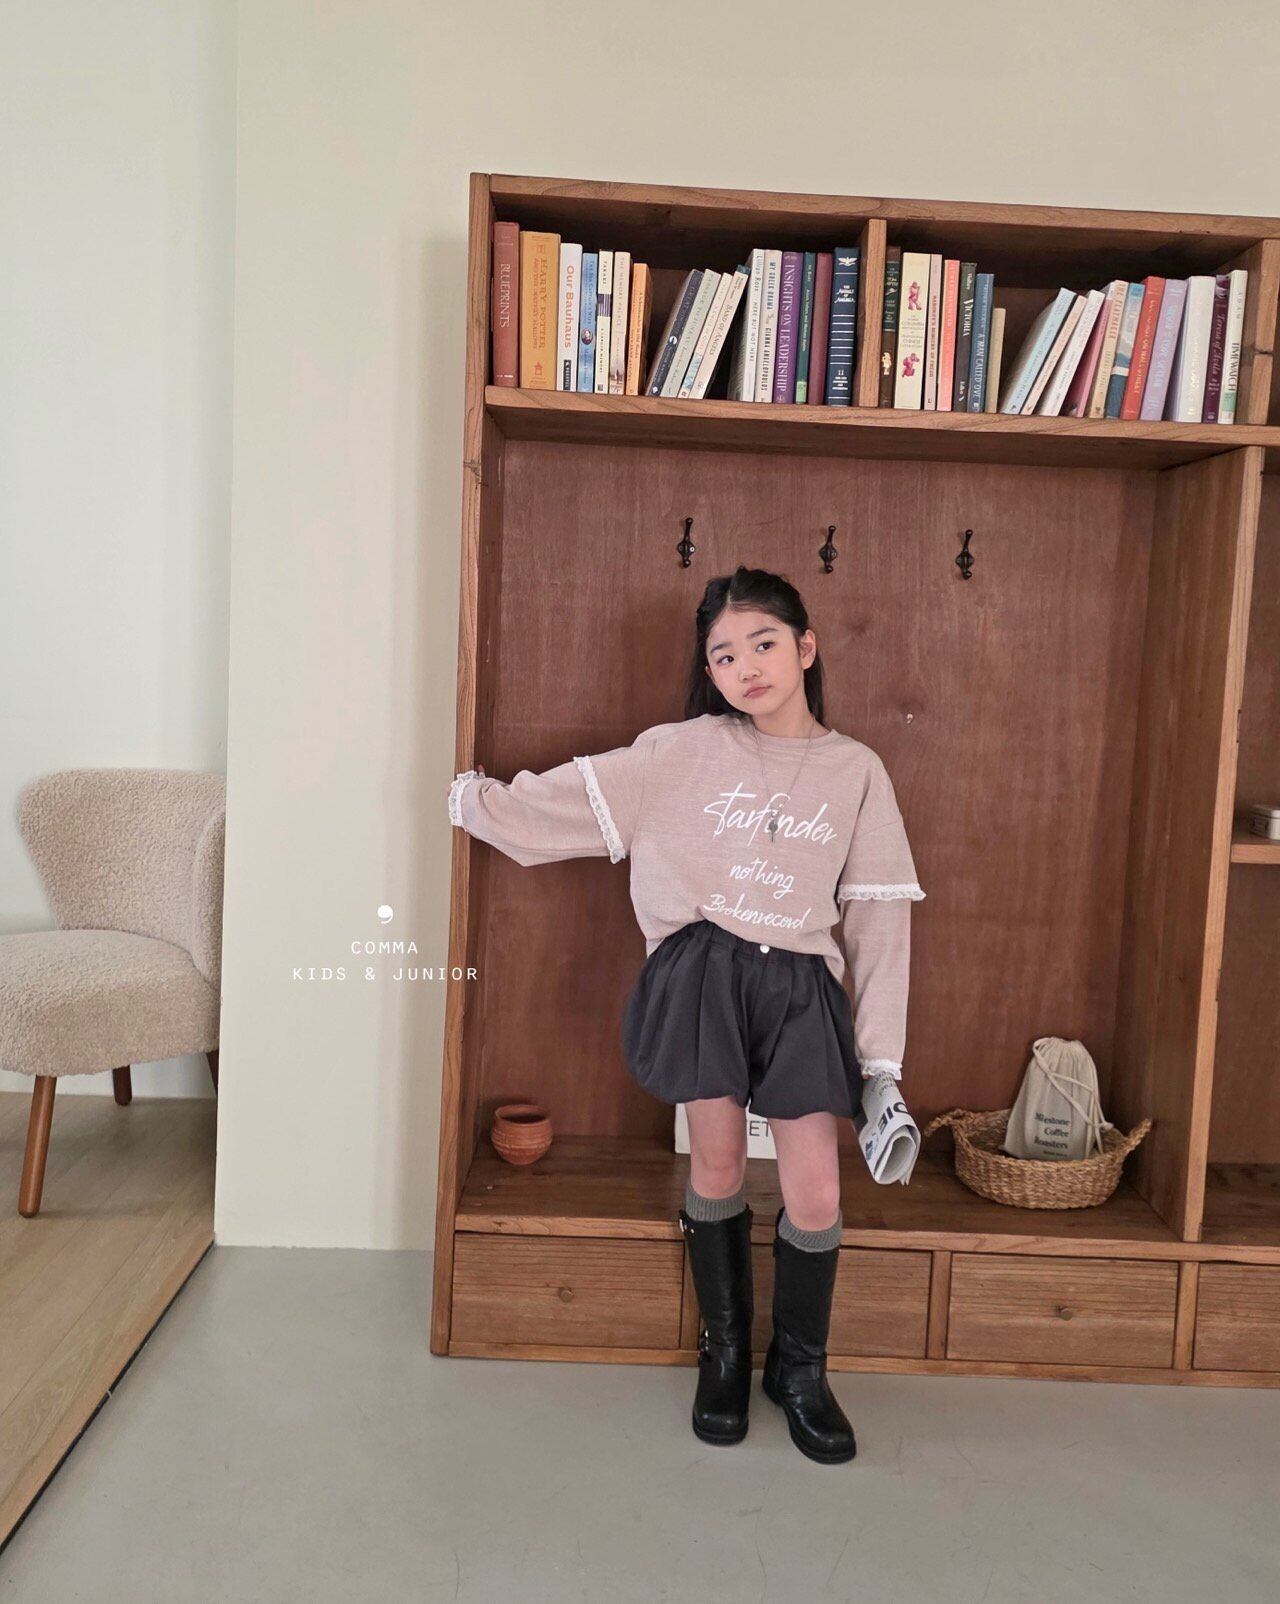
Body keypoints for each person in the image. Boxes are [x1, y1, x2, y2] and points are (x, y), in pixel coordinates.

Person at [447, 564, 924, 1465]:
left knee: (816, 1191)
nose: (746, 667)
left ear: (806, 647)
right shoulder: (679, 751)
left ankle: (800, 1371)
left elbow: (879, 920)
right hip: (702, 975)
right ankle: (726, 1354)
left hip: (801, 990)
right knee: (717, 1164)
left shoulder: (857, 770)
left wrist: (882, 1066)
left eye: (763, 643)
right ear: (709, 673)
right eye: (724, 655)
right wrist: (474, 801)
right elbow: (558, 807)